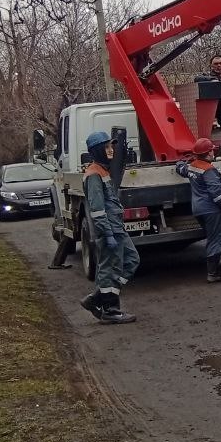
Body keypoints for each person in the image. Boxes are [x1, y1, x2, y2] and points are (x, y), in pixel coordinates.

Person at [79, 131, 139, 324]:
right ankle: (110, 309)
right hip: (109, 231)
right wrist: (107, 233)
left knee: (131, 260)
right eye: (106, 147)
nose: (111, 150)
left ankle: (97, 298)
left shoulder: (103, 170)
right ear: (97, 150)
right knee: (109, 269)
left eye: (111, 146)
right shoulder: (94, 174)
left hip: (116, 228)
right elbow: (97, 210)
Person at [175, 137, 221, 284]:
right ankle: (213, 272)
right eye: (212, 151)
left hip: (198, 209)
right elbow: (218, 193)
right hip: (212, 210)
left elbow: (180, 169)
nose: (213, 153)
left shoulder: (192, 167)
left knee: (218, 235)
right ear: (208, 153)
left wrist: (180, 162)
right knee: (216, 239)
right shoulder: (209, 170)